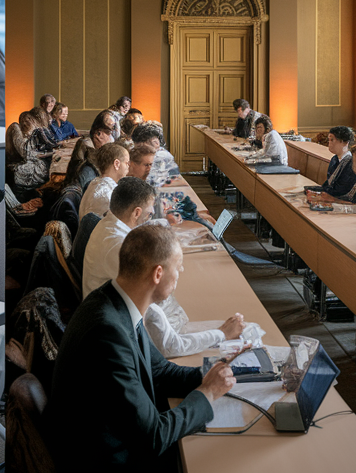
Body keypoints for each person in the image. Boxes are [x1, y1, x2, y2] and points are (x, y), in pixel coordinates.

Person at [46, 223, 235, 472]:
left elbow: (161, 371)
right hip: (107, 461)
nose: (181, 273)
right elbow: (154, 437)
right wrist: (208, 394)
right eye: (178, 267)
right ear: (158, 274)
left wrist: (211, 375)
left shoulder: (115, 301)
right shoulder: (107, 332)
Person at [83, 178, 245, 357]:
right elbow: (169, 345)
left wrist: (170, 225)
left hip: (113, 324)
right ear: (136, 212)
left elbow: (144, 226)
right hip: (124, 339)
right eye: (150, 211)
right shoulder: (118, 248)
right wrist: (222, 334)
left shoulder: (110, 225)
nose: (151, 214)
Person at [79, 143, 130, 221]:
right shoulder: (106, 196)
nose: (128, 167)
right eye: (126, 163)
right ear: (117, 164)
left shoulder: (95, 183)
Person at [7, 110, 53, 195]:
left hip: (34, 163)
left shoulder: (36, 132)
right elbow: (26, 153)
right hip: (23, 168)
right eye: (23, 120)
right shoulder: (16, 129)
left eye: (28, 119)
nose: (26, 122)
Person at [305, 125, 356, 199]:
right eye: (329, 139)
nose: (329, 143)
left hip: (342, 199)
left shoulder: (351, 163)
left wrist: (320, 193)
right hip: (331, 194)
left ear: (345, 142)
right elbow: (328, 183)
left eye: (332, 140)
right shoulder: (334, 159)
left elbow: (342, 189)